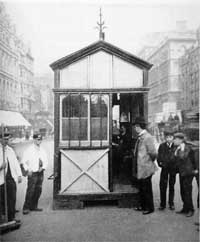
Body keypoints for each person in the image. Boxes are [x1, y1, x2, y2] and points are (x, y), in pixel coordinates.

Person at [132, 117, 157, 215]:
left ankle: (150, 208)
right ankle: (143, 206)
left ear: (138, 127)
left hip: (146, 167)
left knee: (147, 188)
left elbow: (153, 153)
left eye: (135, 126)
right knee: (142, 187)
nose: (134, 128)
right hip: (141, 167)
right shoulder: (141, 137)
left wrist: (148, 162)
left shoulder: (147, 137)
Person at [22, 133, 48, 215]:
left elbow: (46, 160)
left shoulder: (42, 150)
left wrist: (43, 167)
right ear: (34, 139)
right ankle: (26, 207)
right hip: (32, 172)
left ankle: (34, 206)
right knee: (31, 190)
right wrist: (27, 170)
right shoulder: (29, 150)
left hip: (40, 172)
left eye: (40, 139)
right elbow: (23, 161)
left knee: (38, 190)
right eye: (37, 139)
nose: (39, 141)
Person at [174, 132, 198, 217]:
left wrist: (181, 150)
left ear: (180, 140)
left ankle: (191, 209)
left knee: (187, 191)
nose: (174, 141)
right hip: (182, 172)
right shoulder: (179, 147)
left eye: (175, 139)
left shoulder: (186, 147)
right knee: (183, 191)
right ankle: (185, 208)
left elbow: (183, 157)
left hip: (188, 172)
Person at [0, 132, 22, 223]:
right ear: (0, 139)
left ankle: (11, 218)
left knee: (12, 198)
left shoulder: (10, 150)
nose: (6, 141)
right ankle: (2, 218)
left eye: (7, 139)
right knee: (1, 200)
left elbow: (15, 163)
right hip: (1, 179)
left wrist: (19, 174)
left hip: (11, 177)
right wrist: (1, 167)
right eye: (4, 139)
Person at [157, 129, 177, 210]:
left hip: (172, 169)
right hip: (164, 168)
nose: (169, 139)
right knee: (163, 186)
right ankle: (162, 204)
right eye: (167, 137)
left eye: (170, 137)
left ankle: (171, 203)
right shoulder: (162, 146)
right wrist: (160, 163)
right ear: (165, 138)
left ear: (173, 138)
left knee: (172, 186)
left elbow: (177, 157)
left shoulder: (175, 146)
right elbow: (159, 156)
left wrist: (176, 167)